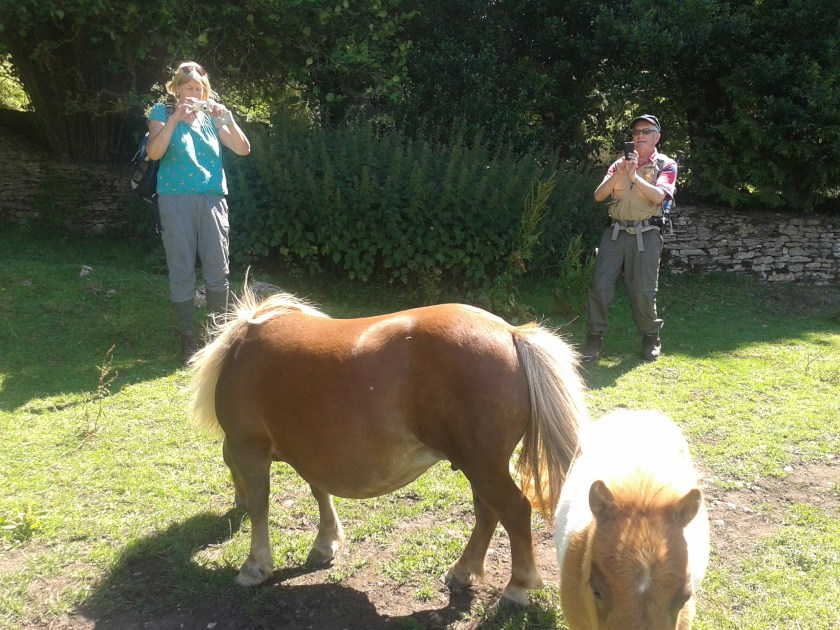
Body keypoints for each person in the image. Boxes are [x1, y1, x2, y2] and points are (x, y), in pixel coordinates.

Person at [145, 61, 251, 363]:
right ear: (177, 89)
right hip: (175, 200)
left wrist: (227, 120)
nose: (194, 92)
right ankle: (188, 336)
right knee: (181, 269)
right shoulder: (162, 113)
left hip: (212, 199)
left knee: (218, 270)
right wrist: (176, 119)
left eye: (199, 88)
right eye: (188, 87)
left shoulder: (211, 118)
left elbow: (243, 149)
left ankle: (218, 336)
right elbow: (154, 152)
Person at [581, 114, 677, 363]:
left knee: (642, 292)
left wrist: (634, 178)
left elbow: (659, 197)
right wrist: (620, 173)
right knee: (600, 287)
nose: (640, 136)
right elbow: (599, 196)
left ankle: (650, 337)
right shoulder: (618, 164)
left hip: (647, 235)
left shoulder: (666, 165)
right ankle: (594, 339)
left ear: (657, 137)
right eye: (636, 132)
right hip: (615, 233)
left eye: (646, 132)